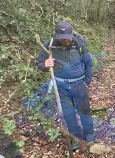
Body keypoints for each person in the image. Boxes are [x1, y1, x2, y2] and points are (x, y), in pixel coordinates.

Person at [36, 22, 94, 150]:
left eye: (68, 37)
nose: (66, 40)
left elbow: (89, 63)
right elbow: (39, 63)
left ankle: (89, 134)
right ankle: (75, 138)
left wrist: (86, 81)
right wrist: (45, 65)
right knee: (68, 114)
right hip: (60, 86)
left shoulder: (79, 44)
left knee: (84, 110)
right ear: (57, 36)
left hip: (79, 84)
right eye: (62, 38)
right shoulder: (49, 45)